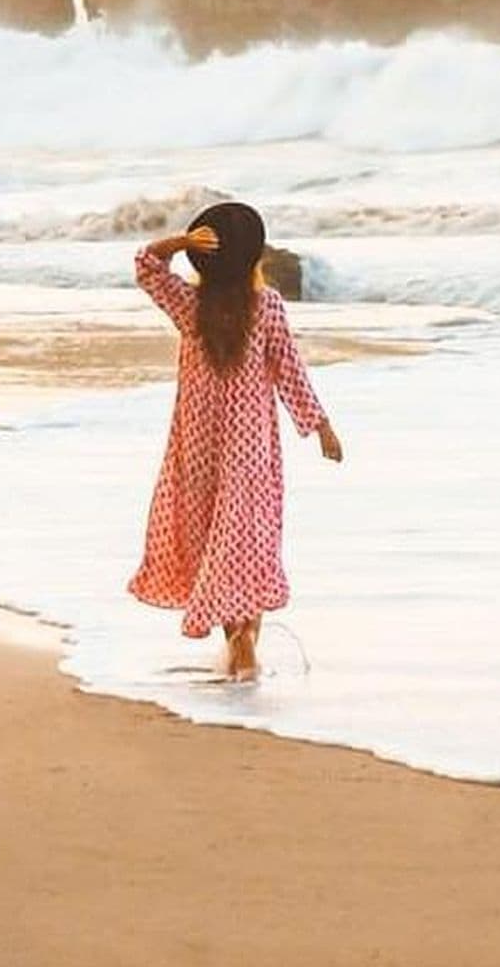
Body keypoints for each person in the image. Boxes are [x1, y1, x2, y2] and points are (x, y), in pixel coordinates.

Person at [128, 202, 343, 680]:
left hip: (200, 444)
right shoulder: (266, 307)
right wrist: (319, 424)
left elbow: (146, 264)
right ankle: (245, 642)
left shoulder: (189, 305)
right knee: (247, 541)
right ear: (254, 258)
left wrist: (181, 243)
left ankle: (237, 644)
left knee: (215, 540)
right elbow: (289, 370)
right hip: (250, 449)